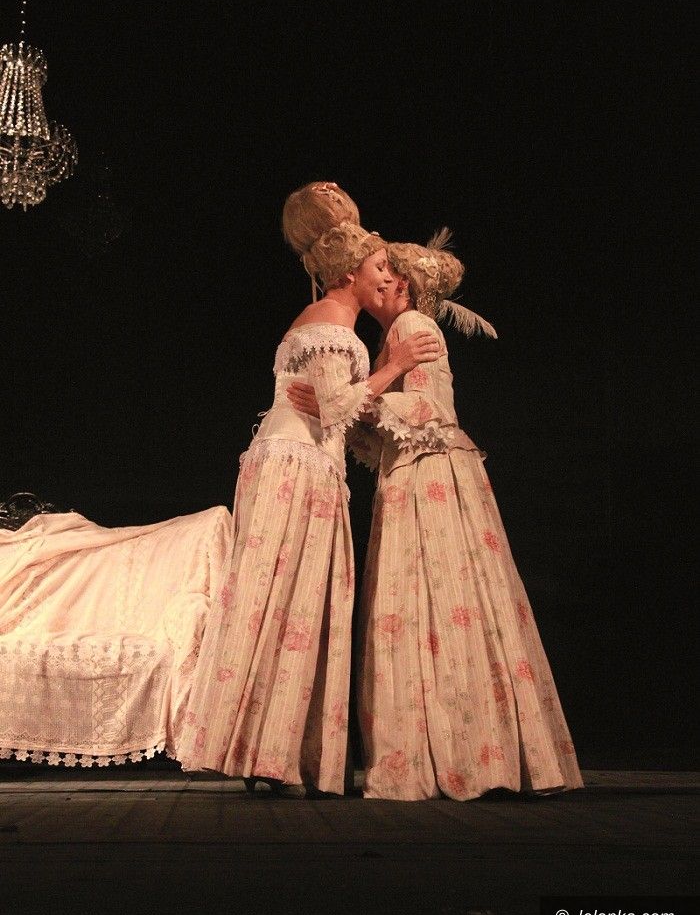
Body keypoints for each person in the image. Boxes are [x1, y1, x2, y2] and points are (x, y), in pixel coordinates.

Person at [287, 230, 584, 800]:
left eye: (394, 274)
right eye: (383, 271)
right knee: (432, 604)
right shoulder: (392, 338)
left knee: (438, 601)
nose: (385, 280)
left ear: (408, 286)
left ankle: (467, 756)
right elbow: (387, 426)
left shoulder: (410, 327)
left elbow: (428, 411)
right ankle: (466, 750)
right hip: (413, 472)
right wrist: (343, 406)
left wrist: (352, 401)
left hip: (431, 477)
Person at [176, 183, 441, 795]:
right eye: (379, 267)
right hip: (295, 469)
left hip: (303, 465)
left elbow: (334, 408)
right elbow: (337, 406)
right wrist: (394, 367)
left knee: (296, 602)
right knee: (288, 602)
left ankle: (276, 753)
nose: (386, 277)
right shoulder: (331, 326)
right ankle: (265, 754)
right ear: (349, 272)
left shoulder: (333, 325)